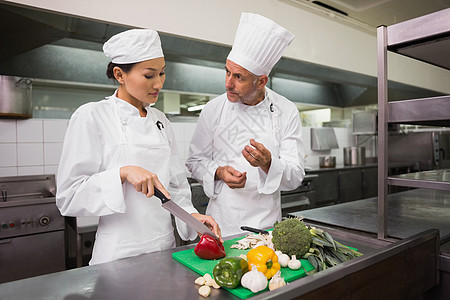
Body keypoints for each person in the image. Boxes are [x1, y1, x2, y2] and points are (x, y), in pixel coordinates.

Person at [56, 29, 222, 265]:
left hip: (164, 248)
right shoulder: (91, 116)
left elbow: (175, 188)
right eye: (149, 75)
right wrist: (121, 174)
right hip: (118, 254)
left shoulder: (161, 121)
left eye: (162, 73)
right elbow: (68, 196)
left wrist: (192, 217)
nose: (158, 83)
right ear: (119, 74)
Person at [186, 13, 305, 237]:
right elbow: (194, 161)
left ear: (261, 81)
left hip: (266, 227)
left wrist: (269, 163)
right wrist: (219, 171)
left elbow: (296, 175)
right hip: (220, 224)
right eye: (227, 72)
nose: (228, 83)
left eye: (239, 77)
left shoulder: (286, 111)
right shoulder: (213, 109)